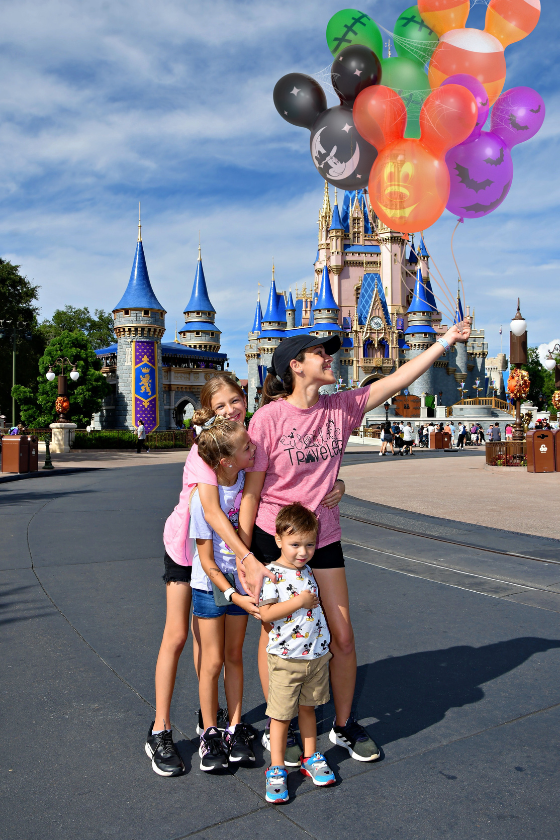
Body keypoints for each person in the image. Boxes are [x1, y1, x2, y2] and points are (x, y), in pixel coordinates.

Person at [239, 320, 471, 766]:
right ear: (296, 366)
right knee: (276, 636)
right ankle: (278, 729)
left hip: (322, 535)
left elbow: (398, 378)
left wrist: (446, 340)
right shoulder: (268, 418)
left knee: (342, 636)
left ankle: (343, 725)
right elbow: (251, 492)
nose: (330, 357)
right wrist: (247, 556)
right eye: (319, 353)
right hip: (274, 539)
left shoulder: (340, 409)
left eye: (330, 351)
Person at [145, 375, 266, 777]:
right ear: (209, 412)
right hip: (187, 549)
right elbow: (212, 512)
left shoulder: (243, 444)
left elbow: (250, 497)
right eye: (221, 406)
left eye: (237, 400)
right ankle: (160, 728)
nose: (232, 408)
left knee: (208, 645)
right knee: (178, 635)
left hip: (222, 556)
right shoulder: (207, 451)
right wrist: (246, 557)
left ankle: (210, 721)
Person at [189, 411, 260, 772]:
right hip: (212, 585)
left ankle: (234, 727)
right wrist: (234, 593)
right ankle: (210, 732)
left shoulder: (247, 480)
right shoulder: (204, 497)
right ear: (225, 460)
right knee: (213, 660)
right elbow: (206, 560)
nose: (254, 448)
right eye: (247, 446)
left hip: (239, 582)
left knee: (234, 656)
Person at [259, 503, 336, 803]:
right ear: (278, 539)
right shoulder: (272, 574)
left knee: (309, 709)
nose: (302, 552)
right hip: (285, 659)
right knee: (279, 717)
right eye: (294, 544)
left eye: (309, 544)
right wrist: (300, 602)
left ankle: (309, 757)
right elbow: (267, 614)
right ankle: (276, 768)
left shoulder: (308, 572)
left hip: (314, 657)